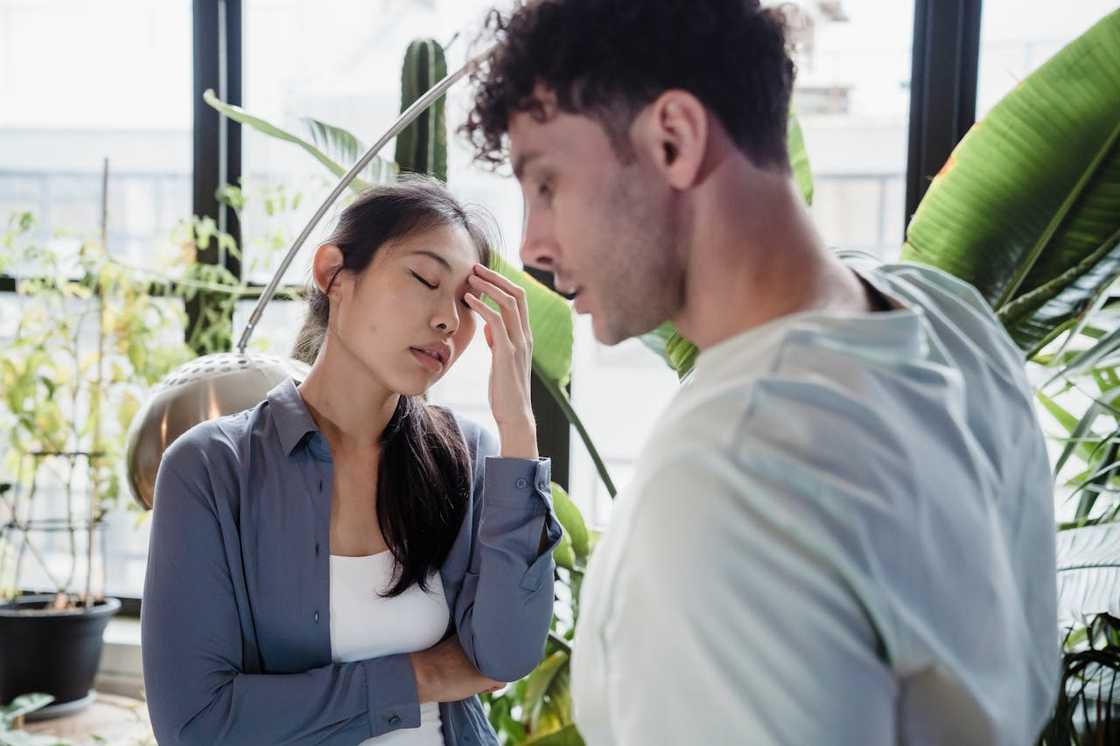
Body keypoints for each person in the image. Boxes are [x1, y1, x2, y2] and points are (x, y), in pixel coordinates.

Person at [463, 1, 1058, 744]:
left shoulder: (730, 472)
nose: (531, 246)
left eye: (547, 184)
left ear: (674, 140)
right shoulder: (949, 318)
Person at [141, 177, 561, 746]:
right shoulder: (211, 470)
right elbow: (197, 725)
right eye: (425, 279)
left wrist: (519, 425)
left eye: (466, 303)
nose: (448, 320)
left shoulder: (471, 457)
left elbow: (506, 655)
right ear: (334, 273)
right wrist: (423, 675)